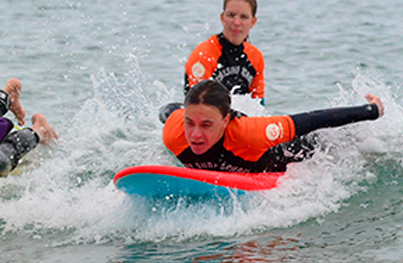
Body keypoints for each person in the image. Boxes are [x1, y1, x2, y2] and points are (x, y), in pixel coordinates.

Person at [162, 80, 383, 173]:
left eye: (206, 125)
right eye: (189, 123)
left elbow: (313, 120)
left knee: (318, 142)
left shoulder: (251, 133)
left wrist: (370, 111)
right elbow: (168, 112)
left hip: (280, 156)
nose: (195, 134)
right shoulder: (174, 132)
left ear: (226, 121)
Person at [184, 0, 266, 101]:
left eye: (244, 17)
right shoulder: (204, 54)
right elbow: (200, 103)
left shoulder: (255, 57)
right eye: (231, 15)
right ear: (222, 18)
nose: (237, 23)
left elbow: (258, 103)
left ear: (253, 22)